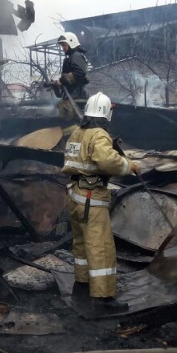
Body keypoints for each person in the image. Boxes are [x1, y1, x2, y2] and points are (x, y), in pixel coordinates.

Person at [61, 92, 140, 313]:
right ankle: (103, 299)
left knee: (81, 245)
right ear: (107, 113)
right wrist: (128, 165)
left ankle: (81, 287)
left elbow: (81, 159)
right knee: (101, 247)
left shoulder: (77, 133)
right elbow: (106, 162)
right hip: (91, 199)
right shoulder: (99, 135)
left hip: (75, 196)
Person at [53, 32, 91, 131]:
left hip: (77, 95)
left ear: (72, 43)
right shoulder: (71, 57)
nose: (63, 48)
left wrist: (62, 81)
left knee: (70, 121)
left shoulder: (76, 55)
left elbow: (79, 73)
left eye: (65, 45)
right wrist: (58, 84)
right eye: (62, 46)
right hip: (72, 95)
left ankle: (75, 140)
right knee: (67, 119)